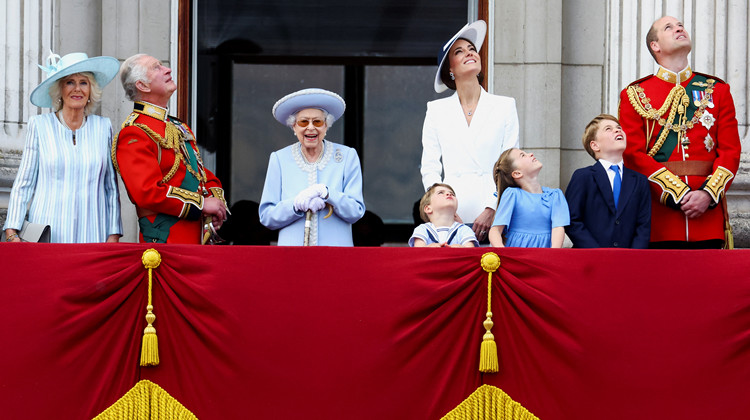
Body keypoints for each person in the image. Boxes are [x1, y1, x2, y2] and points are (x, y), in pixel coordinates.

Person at [619, 16, 741, 249]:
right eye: (669, 27)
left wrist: (707, 194)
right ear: (655, 46)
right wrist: (678, 193)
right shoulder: (635, 94)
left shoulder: (717, 90)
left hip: (708, 217)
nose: (679, 28)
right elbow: (633, 154)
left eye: (680, 25)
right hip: (660, 219)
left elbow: (731, 151)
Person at [3, 52, 122, 243]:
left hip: (93, 234)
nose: (77, 89)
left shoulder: (103, 127)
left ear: (91, 89)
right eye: (70, 82)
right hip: (47, 234)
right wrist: (12, 232)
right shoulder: (39, 125)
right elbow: (24, 183)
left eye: (84, 82)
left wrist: (113, 234)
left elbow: (111, 187)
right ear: (60, 89)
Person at [420, 20, 520, 244]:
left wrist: (491, 207)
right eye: (459, 51)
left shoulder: (505, 105)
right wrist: (442, 210)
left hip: (497, 213)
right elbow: (430, 167)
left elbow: (510, 164)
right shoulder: (436, 110)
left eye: (472, 49)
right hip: (451, 215)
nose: (469, 53)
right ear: (450, 69)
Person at [113, 54, 227, 244]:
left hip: (196, 240)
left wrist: (215, 201)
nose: (168, 69)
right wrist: (202, 204)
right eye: (156, 67)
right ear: (142, 85)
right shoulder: (134, 133)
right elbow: (147, 192)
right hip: (164, 242)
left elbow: (198, 173)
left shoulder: (177, 126)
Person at [259, 88, 365, 246]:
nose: (310, 128)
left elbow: (356, 211)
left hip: (336, 256)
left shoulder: (347, 156)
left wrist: (328, 194)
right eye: (303, 122)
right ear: (294, 126)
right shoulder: (279, 159)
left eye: (317, 122)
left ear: (326, 126)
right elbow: (267, 217)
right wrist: (295, 205)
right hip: (292, 256)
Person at [565, 114, 651, 248]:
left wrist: (634, 256)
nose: (617, 130)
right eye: (608, 129)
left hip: (629, 260)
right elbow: (572, 220)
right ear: (595, 145)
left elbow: (643, 225)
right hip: (591, 259)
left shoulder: (640, 181)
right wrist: (597, 252)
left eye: (619, 127)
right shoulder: (583, 176)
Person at [489, 148, 569, 248]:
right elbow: (495, 230)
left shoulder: (555, 195)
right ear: (517, 173)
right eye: (523, 155)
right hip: (517, 255)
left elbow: (558, 228)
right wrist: (503, 253)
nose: (531, 154)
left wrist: (552, 255)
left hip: (543, 256)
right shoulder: (512, 194)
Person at [409, 183, 478, 247]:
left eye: (452, 194)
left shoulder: (464, 230)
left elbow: (470, 252)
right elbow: (418, 251)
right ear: (428, 208)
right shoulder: (422, 230)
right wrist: (428, 249)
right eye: (441, 193)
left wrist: (462, 249)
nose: (449, 194)